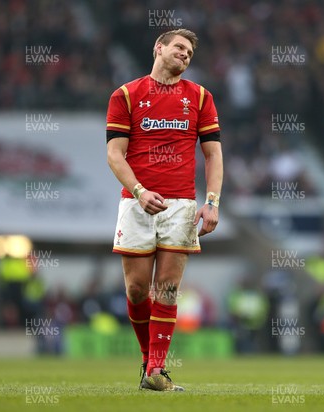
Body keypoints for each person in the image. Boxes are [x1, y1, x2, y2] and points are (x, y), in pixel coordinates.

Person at [106, 28, 223, 391]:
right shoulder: (126, 95)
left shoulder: (200, 97)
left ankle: (157, 370)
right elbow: (115, 154)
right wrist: (139, 191)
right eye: (179, 48)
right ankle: (148, 361)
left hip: (182, 206)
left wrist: (212, 202)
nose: (185, 56)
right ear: (159, 48)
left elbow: (213, 154)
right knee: (138, 289)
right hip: (138, 202)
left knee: (168, 289)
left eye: (189, 53)